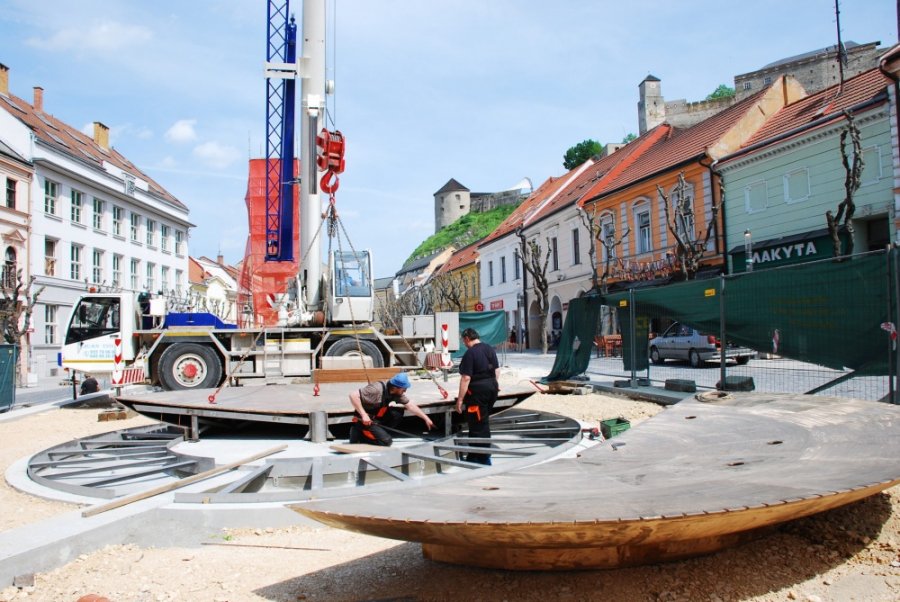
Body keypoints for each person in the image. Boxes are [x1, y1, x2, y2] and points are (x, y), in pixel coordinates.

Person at [348, 372, 434, 446]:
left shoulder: (396, 393)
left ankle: (380, 432)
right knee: (386, 442)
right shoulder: (376, 389)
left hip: (376, 417)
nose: (405, 391)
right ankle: (359, 434)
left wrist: (426, 418)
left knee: (397, 413)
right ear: (395, 388)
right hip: (363, 419)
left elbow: (410, 405)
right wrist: (364, 415)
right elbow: (353, 395)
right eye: (404, 389)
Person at [456, 327, 500, 465]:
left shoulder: (470, 353)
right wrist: (493, 385)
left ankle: (481, 457)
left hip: (477, 394)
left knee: (477, 425)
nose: (464, 344)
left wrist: (460, 400)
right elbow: (497, 371)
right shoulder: (489, 349)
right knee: (483, 421)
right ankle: (478, 454)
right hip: (491, 389)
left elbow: (466, 378)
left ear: (467, 338)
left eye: (464, 341)